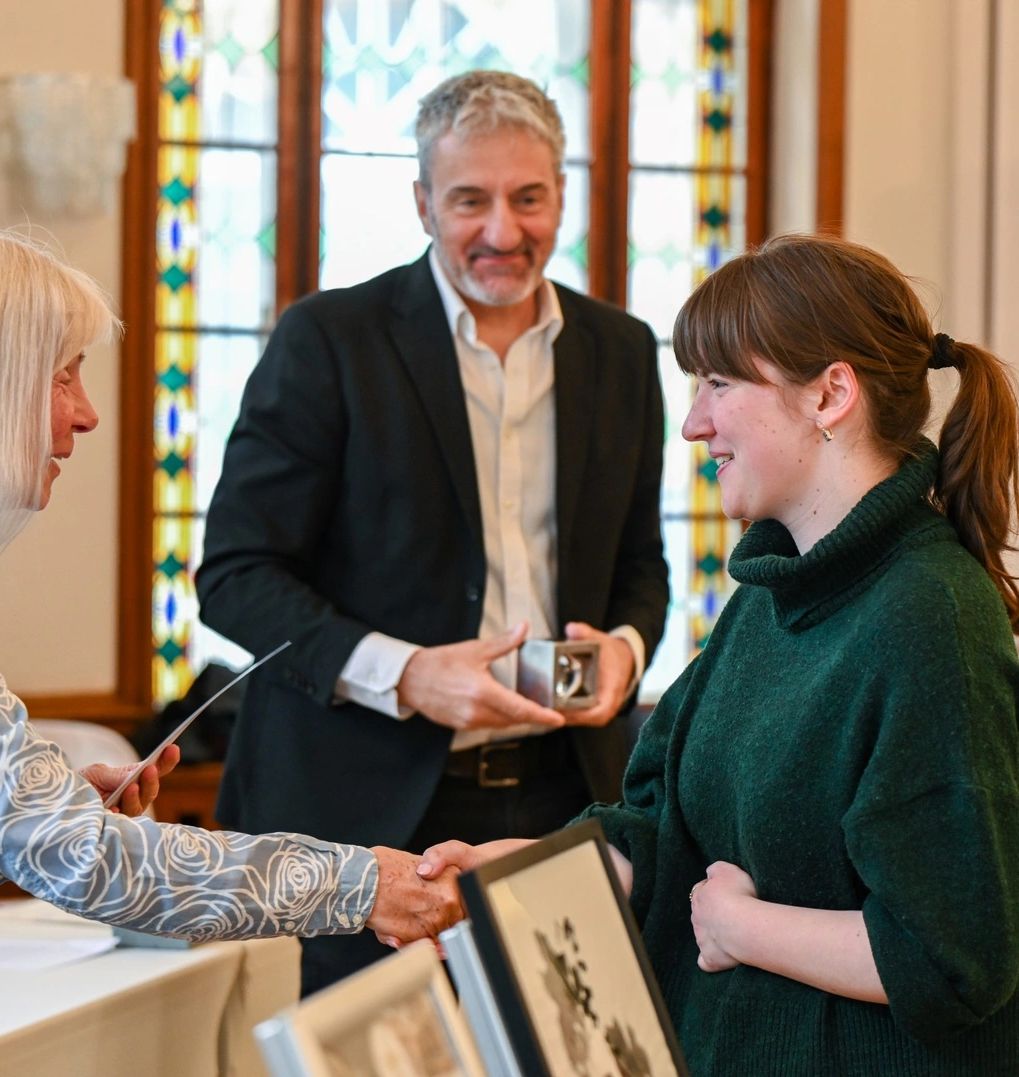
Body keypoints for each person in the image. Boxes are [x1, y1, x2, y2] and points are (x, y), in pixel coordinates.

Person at [420, 234, 1019, 1075]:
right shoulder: (770, 594)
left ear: (830, 394)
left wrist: (742, 926)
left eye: (719, 383)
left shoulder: (930, 617)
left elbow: (952, 957)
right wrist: (516, 878)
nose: (693, 422)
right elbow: (660, 827)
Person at [0, 227, 462, 1077]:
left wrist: (51, 802)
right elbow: (81, 859)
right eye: (62, 373)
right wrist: (361, 884)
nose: (87, 412)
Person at [196, 70, 669, 994]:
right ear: (422, 203)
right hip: (357, 816)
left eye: (527, 198)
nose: (502, 230)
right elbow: (236, 575)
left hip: (565, 797)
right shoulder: (329, 338)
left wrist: (625, 646)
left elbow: (640, 563)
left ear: (561, 195)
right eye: (469, 200)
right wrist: (407, 673)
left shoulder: (621, 349)